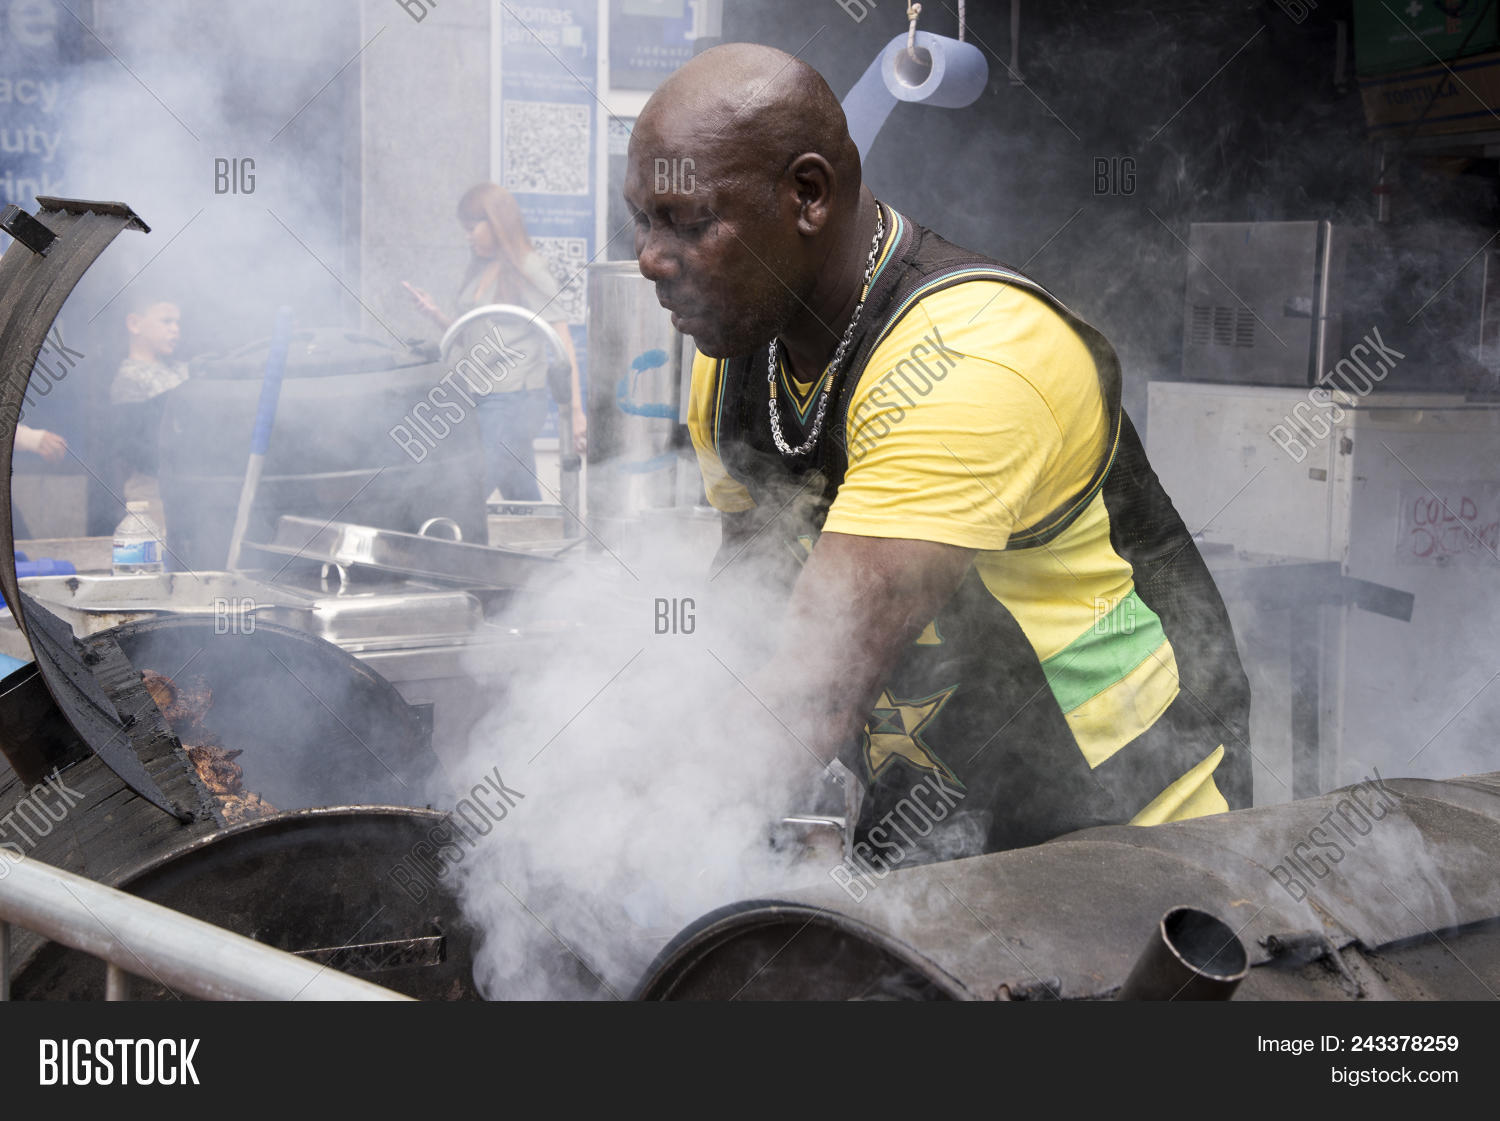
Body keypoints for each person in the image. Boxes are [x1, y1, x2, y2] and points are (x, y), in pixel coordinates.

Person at [624, 44, 1253, 862]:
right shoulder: (731, 359)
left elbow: (814, 689)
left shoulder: (969, 358)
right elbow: (753, 595)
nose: (648, 258)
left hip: (1133, 834)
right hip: (949, 830)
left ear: (807, 195)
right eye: (641, 219)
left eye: (689, 222)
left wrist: (620, 850)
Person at [404, 183, 586, 502]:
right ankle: (538, 545)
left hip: (514, 398)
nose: (467, 236)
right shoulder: (483, 269)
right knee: (519, 491)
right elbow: (472, 336)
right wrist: (434, 314)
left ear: (495, 222)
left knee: (471, 489)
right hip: (482, 394)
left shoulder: (528, 267)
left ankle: (443, 543)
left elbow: (561, 340)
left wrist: (575, 412)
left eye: (472, 227)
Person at [109, 295, 186, 532]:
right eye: (166, 321)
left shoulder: (181, 369)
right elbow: (132, 446)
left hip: (182, 484)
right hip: (150, 491)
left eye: (177, 323)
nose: (175, 330)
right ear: (135, 324)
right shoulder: (129, 379)